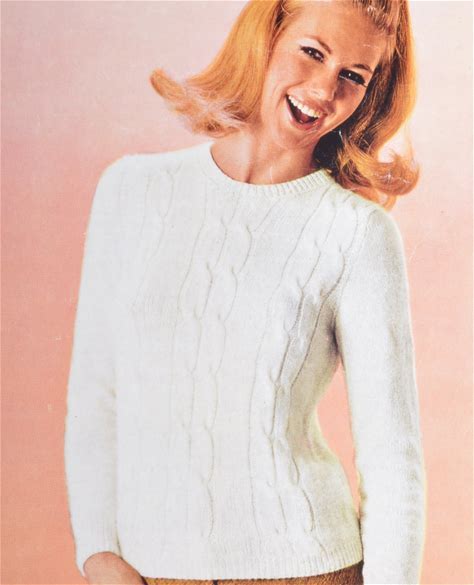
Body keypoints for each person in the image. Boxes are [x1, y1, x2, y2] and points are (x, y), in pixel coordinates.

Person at [64, 1, 427, 584]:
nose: (324, 90)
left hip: (307, 570)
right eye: (313, 52)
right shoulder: (131, 191)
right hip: (148, 572)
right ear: (267, 34)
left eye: (353, 76)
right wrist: (97, 550)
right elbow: (96, 393)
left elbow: (393, 460)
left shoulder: (358, 234)